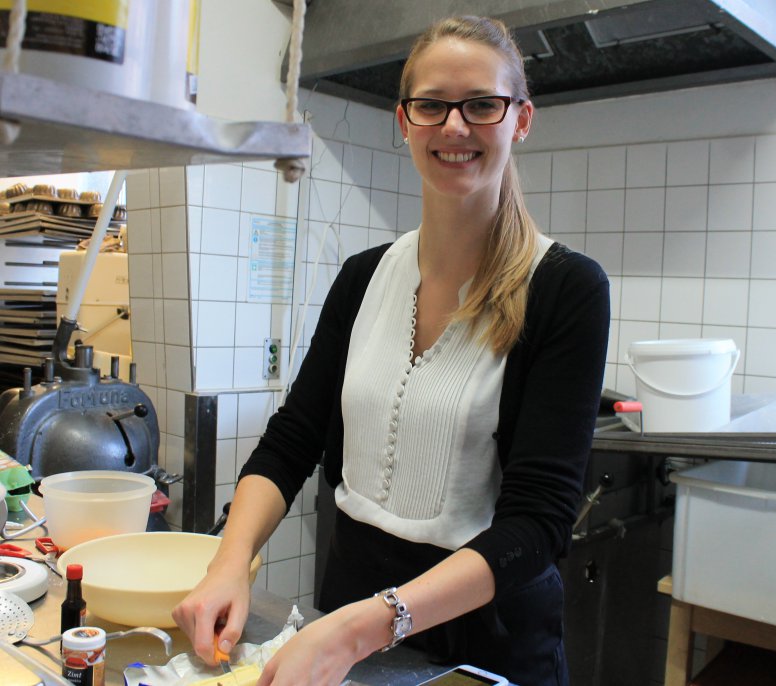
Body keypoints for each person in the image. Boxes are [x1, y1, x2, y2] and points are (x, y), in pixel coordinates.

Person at [173, 15, 610, 686]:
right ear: (404, 121)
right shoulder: (363, 277)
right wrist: (229, 563)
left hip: (484, 644)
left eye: (482, 105)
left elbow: (538, 523)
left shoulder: (565, 289)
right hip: (352, 618)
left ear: (520, 120)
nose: (454, 126)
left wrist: (366, 625)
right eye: (432, 105)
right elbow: (293, 438)